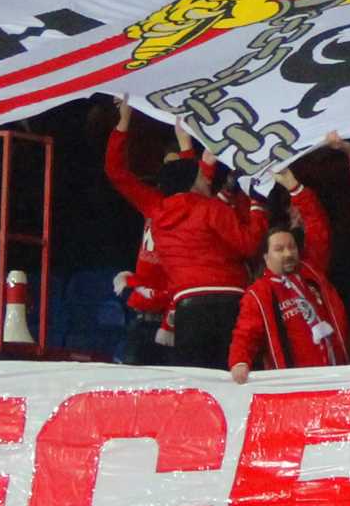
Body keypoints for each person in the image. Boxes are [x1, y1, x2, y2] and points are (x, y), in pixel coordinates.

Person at [102, 101, 264, 372]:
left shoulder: (157, 208)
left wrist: (124, 121)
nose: (205, 178)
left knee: (197, 384)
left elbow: (117, 172)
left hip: (187, 310)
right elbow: (248, 244)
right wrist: (258, 206)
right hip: (227, 303)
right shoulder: (210, 207)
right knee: (235, 379)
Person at [230, 176, 346, 379]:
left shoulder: (311, 270)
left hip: (339, 374)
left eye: (292, 247)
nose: (288, 253)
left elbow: (318, 228)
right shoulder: (259, 293)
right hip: (296, 384)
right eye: (279, 249)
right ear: (266, 257)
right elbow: (245, 334)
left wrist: (296, 188)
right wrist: (239, 362)